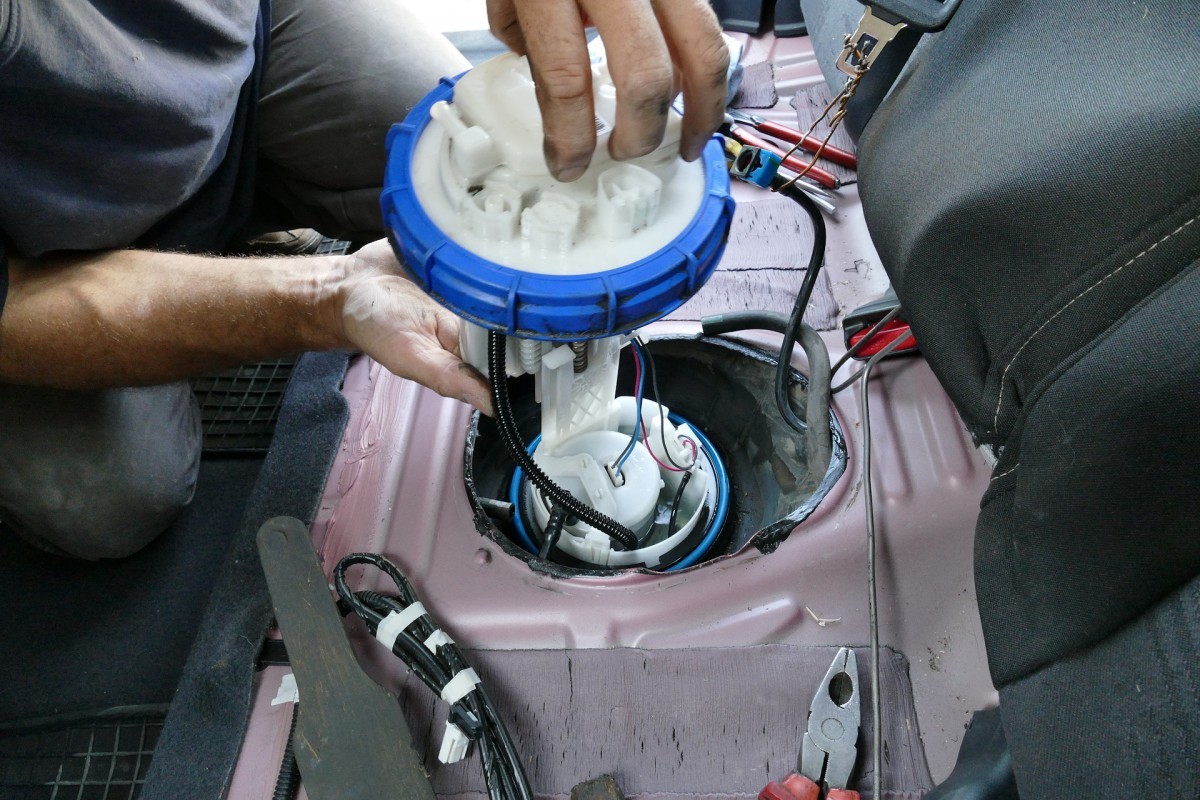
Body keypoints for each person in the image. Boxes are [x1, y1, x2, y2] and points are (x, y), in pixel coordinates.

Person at [0, 0, 729, 560]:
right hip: (42, 250)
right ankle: (209, 246)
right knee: (115, 495)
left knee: (474, 123)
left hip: (238, 44)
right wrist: (331, 294)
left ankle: (235, 211)